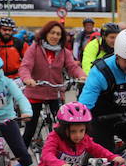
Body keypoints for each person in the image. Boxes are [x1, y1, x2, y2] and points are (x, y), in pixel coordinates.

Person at [19, 20, 86, 148]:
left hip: (55, 93)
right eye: (52, 33)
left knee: (63, 127)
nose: (55, 36)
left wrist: (82, 76)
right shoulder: (35, 48)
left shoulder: (64, 52)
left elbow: (72, 67)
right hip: (35, 93)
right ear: (45, 33)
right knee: (30, 129)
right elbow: (25, 66)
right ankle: (21, 160)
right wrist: (27, 78)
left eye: (58, 34)